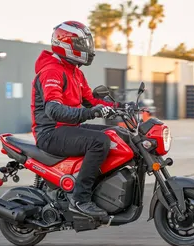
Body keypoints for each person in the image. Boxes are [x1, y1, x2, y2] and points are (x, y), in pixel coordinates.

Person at [30, 20, 132, 218]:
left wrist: (122, 107)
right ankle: (80, 199)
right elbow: (54, 110)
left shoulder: (75, 72)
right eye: (82, 44)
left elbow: (92, 100)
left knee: (118, 134)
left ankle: (101, 188)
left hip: (67, 129)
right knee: (100, 141)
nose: (87, 48)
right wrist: (91, 113)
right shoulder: (52, 71)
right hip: (51, 133)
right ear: (67, 45)